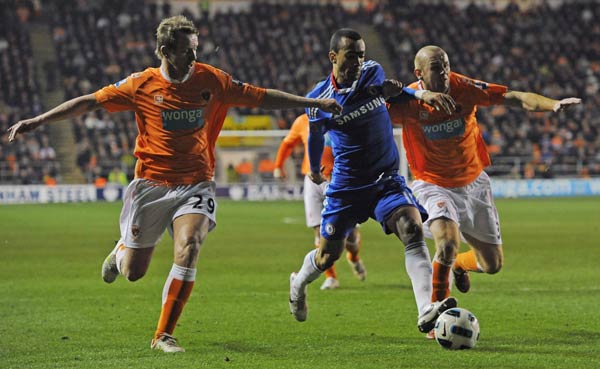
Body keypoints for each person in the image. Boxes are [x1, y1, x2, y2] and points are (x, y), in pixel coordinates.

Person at [7, 15, 341, 353]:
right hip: (151, 184)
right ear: (165, 51)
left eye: (196, 50)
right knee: (133, 272)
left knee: (190, 245)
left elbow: (260, 96)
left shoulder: (211, 79)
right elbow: (90, 101)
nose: (195, 59)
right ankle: (121, 250)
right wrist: (39, 120)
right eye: (187, 52)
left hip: (196, 183)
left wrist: (311, 103)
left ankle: (163, 335)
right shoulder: (141, 84)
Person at [387, 45, 581, 337]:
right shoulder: (407, 103)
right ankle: (434, 316)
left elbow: (513, 97)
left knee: (492, 265)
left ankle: (460, 266)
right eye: (437, 68)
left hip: (474, 184)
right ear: (419, 74)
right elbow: (371, 112)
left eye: (446, 65)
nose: (445, 72)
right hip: (433, 183)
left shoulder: (464, 87)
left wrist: (551, 104)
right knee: (447, 243)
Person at [288, 29, 458, 333]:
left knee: (411, 228)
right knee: (329, 255)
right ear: (333, 57)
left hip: (386, 180)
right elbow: (314, 137)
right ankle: (298, 283)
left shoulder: (372, 71)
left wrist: (422, 94)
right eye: (351, 55)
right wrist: (314, 169)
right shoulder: (318, 98)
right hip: (347, 187)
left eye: (361, 54)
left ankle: (424, 309)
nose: (358, 62)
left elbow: (392, 90)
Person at [274, 113, 366, 290]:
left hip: (338, 179)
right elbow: (287, 143)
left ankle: (353, 257)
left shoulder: (342, 115)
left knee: (350, 236)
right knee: (320, 231)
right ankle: (331, 277)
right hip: (312, 180)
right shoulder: (302, 121)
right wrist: (278, 165)